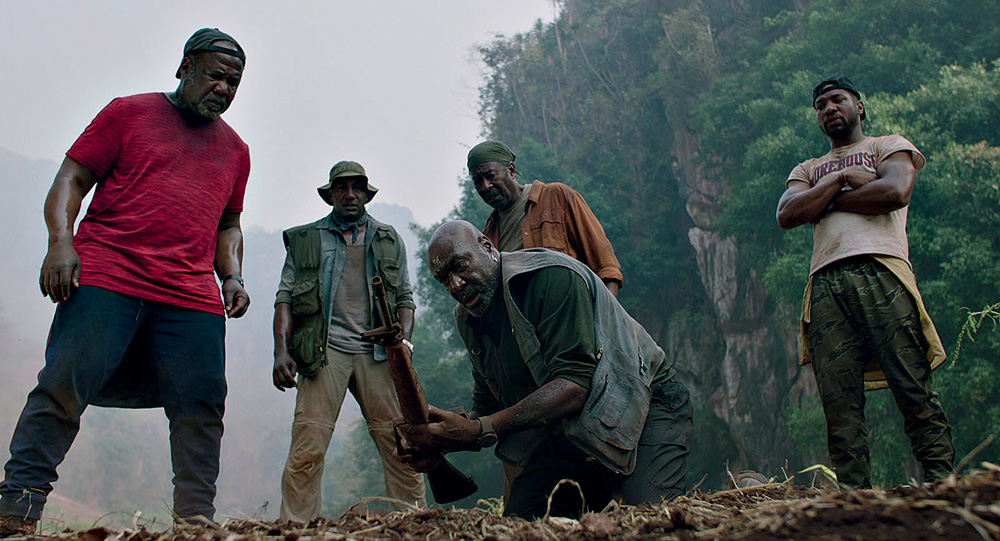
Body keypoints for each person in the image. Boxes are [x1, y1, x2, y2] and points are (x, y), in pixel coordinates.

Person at [0, 28, 251, 537]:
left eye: (234, 81)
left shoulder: (236, 150)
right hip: (108, 272)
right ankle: (17, 509)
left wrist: (233, 276)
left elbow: (228, 224)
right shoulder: (128, 112)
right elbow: (71, 178)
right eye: (215, 75)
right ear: (185, 67)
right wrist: (60, 243)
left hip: (189, 291)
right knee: (62, 386)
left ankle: (196, 522)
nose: (223, 88)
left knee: (203, 401)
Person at [402, 220, 691, 519]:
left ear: (487, 248)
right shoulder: (469, 319)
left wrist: (478, 430)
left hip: (645, 404)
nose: (456, 285)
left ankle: (743, 483)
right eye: (444, 279)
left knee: (650, 521)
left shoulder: (549, 277)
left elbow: (576, 385)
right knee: (519, 525)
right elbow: (488, 404)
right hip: (570, 431)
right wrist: (438, 437)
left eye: (459, 266)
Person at [776, 75, 954, 488]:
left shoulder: (888, 145)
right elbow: (787, 214)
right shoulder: (807, 169)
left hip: (883, 270)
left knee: (912, 383)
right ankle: (854, 497)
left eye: (837, 100)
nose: (829, 109)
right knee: (839, 401)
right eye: (821, 105)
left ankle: (942, 483)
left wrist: (822, 201)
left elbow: (894, 191)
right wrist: (840, 180)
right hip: (824, 284)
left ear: (860, 105)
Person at [272, 161, 426, 521]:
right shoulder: (306, 240)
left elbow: (405, 297)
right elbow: (285, 297)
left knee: (402, 443)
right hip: (324, 353)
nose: (350, 194)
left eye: (357, 187)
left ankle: (415, 522)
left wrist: (403, 344)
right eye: (341, 188)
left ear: (367, 193)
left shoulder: (388, 238)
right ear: (330, 194)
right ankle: (297, 526)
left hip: (378, 355)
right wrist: (281, 351)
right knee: (308, 447)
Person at [467, 140, 623, 296]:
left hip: (573, 311)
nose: (485, 186)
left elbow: (606, 266)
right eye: (478, 182)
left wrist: (606, 316)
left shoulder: (558, 197)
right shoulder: (487, 238)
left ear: (511, 170)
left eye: (491, 176)